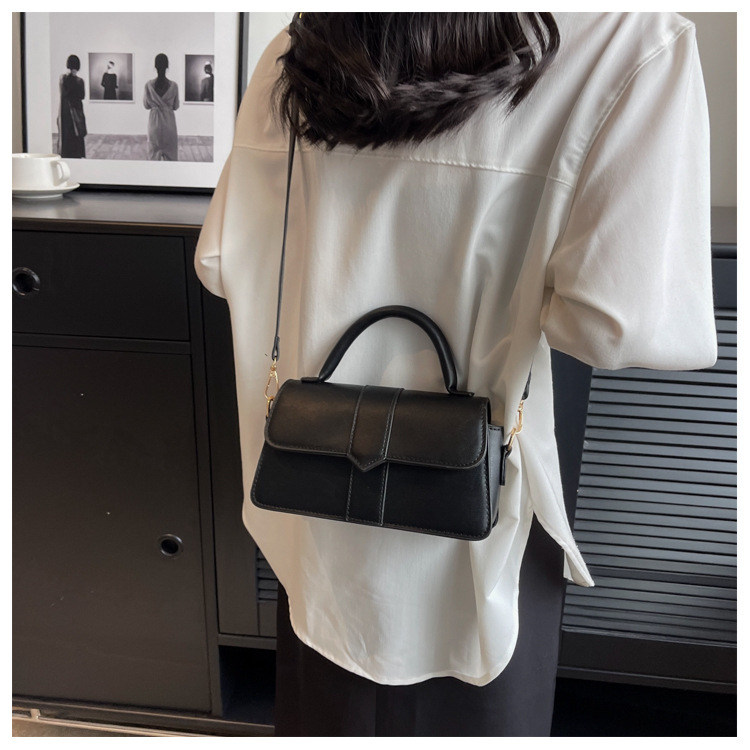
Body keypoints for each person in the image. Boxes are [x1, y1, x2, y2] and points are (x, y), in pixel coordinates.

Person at [195, 13, 717, 736]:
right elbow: (616, 326)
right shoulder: (631, 41)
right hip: (483, 504)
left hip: (314, 498)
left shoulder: (303, 46)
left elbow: (222, 261)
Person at [143, 53, 179, 161]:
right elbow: (176, 106)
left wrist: (156, 105)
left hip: (154, 124)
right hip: (169, 124)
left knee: (153, 157)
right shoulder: (174, 86)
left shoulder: (148, 85)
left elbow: (146, 105)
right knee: (171, 159)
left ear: (155, 66)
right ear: (167, 66)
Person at [58, 54, 86, 158]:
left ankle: (66, 154)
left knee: (67, 134)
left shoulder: (63, 79)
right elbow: (82, 96)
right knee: (77, 133)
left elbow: (63, 94)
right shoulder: (80, 81)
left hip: (65, 111)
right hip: (76, 110)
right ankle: (78, 154)